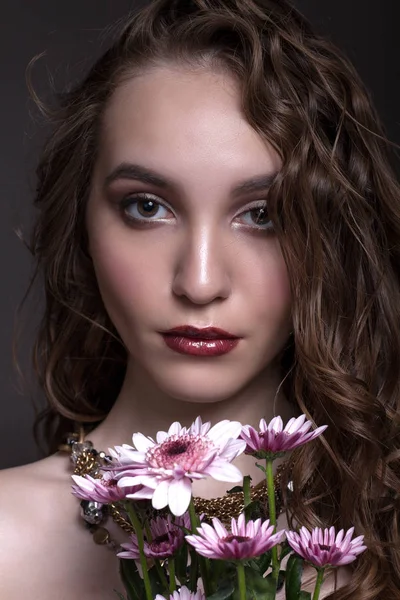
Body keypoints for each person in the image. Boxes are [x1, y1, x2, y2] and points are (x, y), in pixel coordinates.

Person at [0, 0, 399, 598]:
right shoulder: (7, 540)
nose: (201, 281)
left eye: (263, 215)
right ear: (80, 223)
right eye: (147, 207)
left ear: (332, 236)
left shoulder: (385, 532)